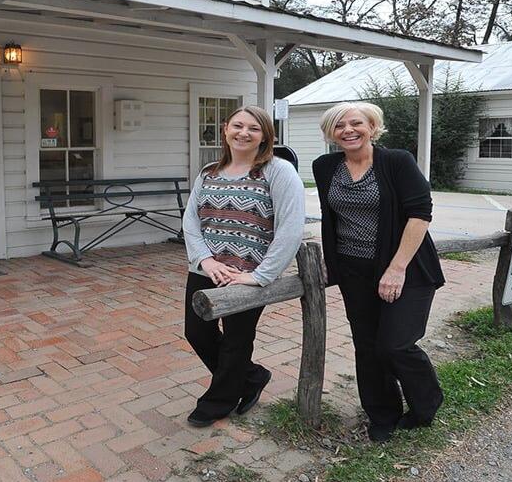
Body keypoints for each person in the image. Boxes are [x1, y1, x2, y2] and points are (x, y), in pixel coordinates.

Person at [311, 102, 446, 443]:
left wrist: (396, 268)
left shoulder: (396, 161)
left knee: (395, 345)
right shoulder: (325, 166)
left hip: (407, 267)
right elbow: (334, 218)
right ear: (331, 133)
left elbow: (420, 214)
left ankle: (426, 403)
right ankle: (382, 415)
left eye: (356, 123)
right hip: (353, 269)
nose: (348, 130)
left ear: (372, 126)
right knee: (367, 347)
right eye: (339, 125)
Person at [182, 105, 305, 428]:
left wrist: (260, 276)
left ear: (265, 135)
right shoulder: (208, 171)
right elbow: (191, 220)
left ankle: (218, 402)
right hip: (206, 271)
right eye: (238, 126)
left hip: (246, 274)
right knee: (197, 333)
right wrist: (205, 260)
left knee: (236, 340)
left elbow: (290, 228)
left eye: (253, 128)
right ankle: (252, 377)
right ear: (225, 129)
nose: (244, 133)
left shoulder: (278, 171)